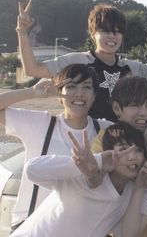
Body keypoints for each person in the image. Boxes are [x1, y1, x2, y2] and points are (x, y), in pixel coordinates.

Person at [16, 0, 147, 121]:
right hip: (87, 139)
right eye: (105, 31)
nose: (112, 36)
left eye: (117, 31)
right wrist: (23, 33)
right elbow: (33, 69)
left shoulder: (131, 67)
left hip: (124, 144)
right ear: (93, 33)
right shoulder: (77, 61)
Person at [0, 64, 112, 231]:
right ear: (60, 96)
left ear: (94, 96)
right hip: (33, 227)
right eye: (71, 87)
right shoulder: (39, 124)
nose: (79, 93)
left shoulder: (106, 131)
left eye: (86, 87)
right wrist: (32, 92)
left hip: (78, 229)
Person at [11, 122, 147, 237]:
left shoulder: (132, 191)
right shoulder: (83, 175)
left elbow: (125, 233)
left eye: (139, 150)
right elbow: (31, 170)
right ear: (109, 151)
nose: (132, 156)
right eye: (124, 149)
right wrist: (97, 161)